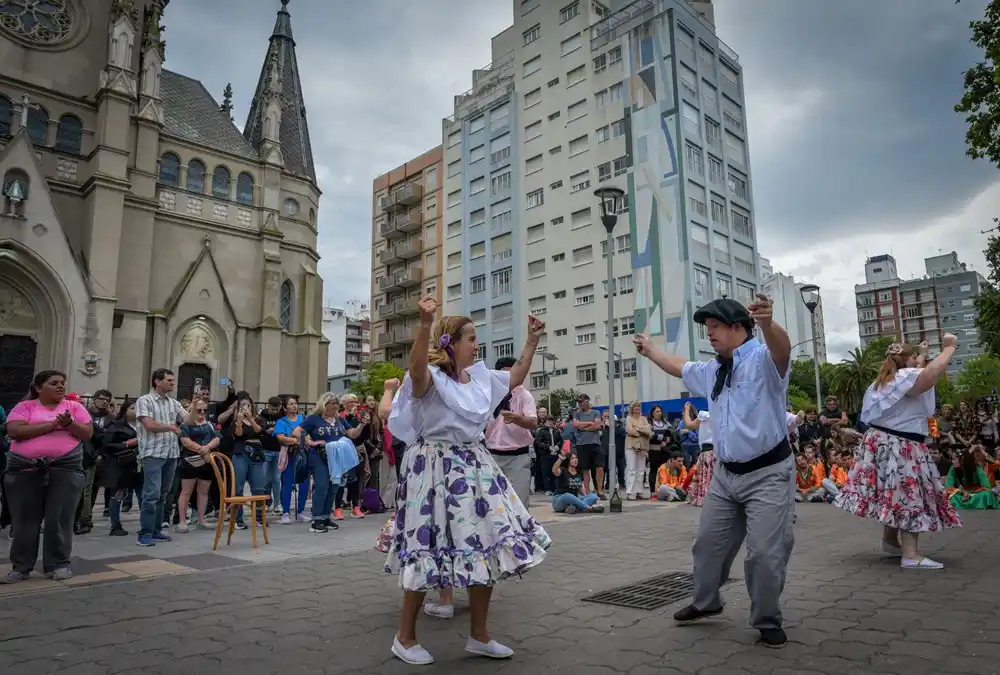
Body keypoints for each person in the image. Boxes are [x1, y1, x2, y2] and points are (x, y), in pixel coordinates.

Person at [384, 295, 551, 665]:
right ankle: (404, 637)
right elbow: (414, 370)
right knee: (425, 547)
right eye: (471, 338)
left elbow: (517, 376)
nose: (477, 345)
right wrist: (425, 325)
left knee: (486, 543)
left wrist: (532, 339)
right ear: (452, 343)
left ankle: (479, 636)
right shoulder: (431, 379)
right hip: (433, 466)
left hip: (474, 463)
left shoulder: (479, 379)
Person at [634, 294, 794, 649]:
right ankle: (706, 602)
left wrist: (768, 323)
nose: (710, 334)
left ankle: (767, 619)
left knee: (765, 553)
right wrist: (649, 349)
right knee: (707, 544)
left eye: (715, 327)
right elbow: (679, 366)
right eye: (707, 329)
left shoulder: (764, 360)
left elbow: (783, 350)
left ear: (739, 328)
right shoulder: (713, 369)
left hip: (768, 472)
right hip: (725, 475)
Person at [834, 338, 961, 569]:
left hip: (883, 441)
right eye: (914, 358)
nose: (919, 362)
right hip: (900, 444)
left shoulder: (885, 381)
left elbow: (917, 371)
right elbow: (928, 375)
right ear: (906, 361)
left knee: (893, 492)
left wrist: (921, 352)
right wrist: (949, 348)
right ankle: (911, 555)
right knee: (907, 494)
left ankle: (891, 541)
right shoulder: (906, 378)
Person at [2, 371, 92, 583]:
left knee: (59, 518)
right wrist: (53, 425)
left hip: (65, 469)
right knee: (25, 519)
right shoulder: (25, 407)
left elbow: (87, 433)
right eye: (54, 383)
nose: (61, 387)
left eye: (62, 383)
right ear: (39, 388)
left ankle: (58, 564)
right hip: (25, 469)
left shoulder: (75, 407)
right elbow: (15, 431)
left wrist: (70, 424)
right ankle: (21, 566)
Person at [135, 368, 186, 547]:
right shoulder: (144, 400)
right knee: (151, 494)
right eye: (169, 380)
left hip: (171, 453)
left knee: (164, 494)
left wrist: (196, 406)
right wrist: (171, 428)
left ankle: (156, 530)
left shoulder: (174, 403)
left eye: (173, 380)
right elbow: (148, 424)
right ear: (157, 381)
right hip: (153, 453)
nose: (173, 383)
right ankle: (145, 533)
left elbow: (189, 421)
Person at [485, 356, 538, 506]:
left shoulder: (524, 396)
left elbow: (533, 422)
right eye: (504, 376)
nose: (509, 379)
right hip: (492, 455)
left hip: (517, 457)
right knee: (493, 505)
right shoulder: (489, 395)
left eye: (512, 374)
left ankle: (521, 529)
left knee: (519, 504)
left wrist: (517, 418)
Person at [98, 397, 142, 537]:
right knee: (117, 495)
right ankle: (115, 525)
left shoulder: (143, 425)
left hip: (139, 464)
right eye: (133, 408)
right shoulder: (116, 425)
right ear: (125, 410)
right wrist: (126, 444)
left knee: (142, 494)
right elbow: (106, 445)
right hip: (120, 465)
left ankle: (146, 524)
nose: (136, 411)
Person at [551, 447, 604, 514]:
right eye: (572, 458)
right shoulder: (563, 470)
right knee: (567, 495)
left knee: (593, 496)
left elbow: (581, 488)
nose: (575, 460)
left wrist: (586, 497)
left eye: (576, 458)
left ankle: (575, 507)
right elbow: (554, 471)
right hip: (559, 500)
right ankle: (588, 508)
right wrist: (561, 458)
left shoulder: (579, 472)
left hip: (575, 499)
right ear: (568, 460)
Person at [623, 401, 651, 500]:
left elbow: (648, 430)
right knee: (631, 469)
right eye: (635, 406)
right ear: (631, 408)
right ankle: (630, 492)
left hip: (642, 446)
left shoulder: (644, 418)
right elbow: (630, 430)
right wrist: (642, 430)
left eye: (638, 406)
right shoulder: (628, 418)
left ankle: (639, 491)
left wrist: (637, 428)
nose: (637, 408)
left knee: (641, 470)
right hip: (631, 446)